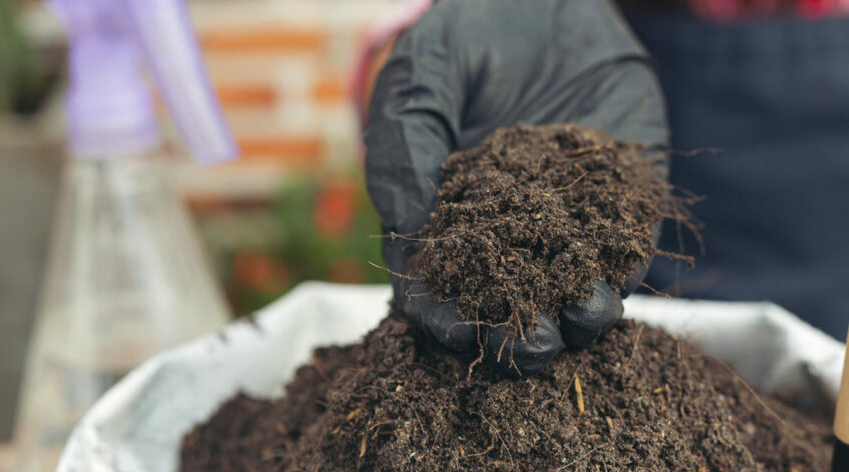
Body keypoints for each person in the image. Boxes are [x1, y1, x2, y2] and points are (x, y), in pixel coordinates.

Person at [359, 0, 849, 378]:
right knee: (588, 318)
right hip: (629, 284)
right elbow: (408, 52)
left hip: (830, 285)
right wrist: (416, 58)